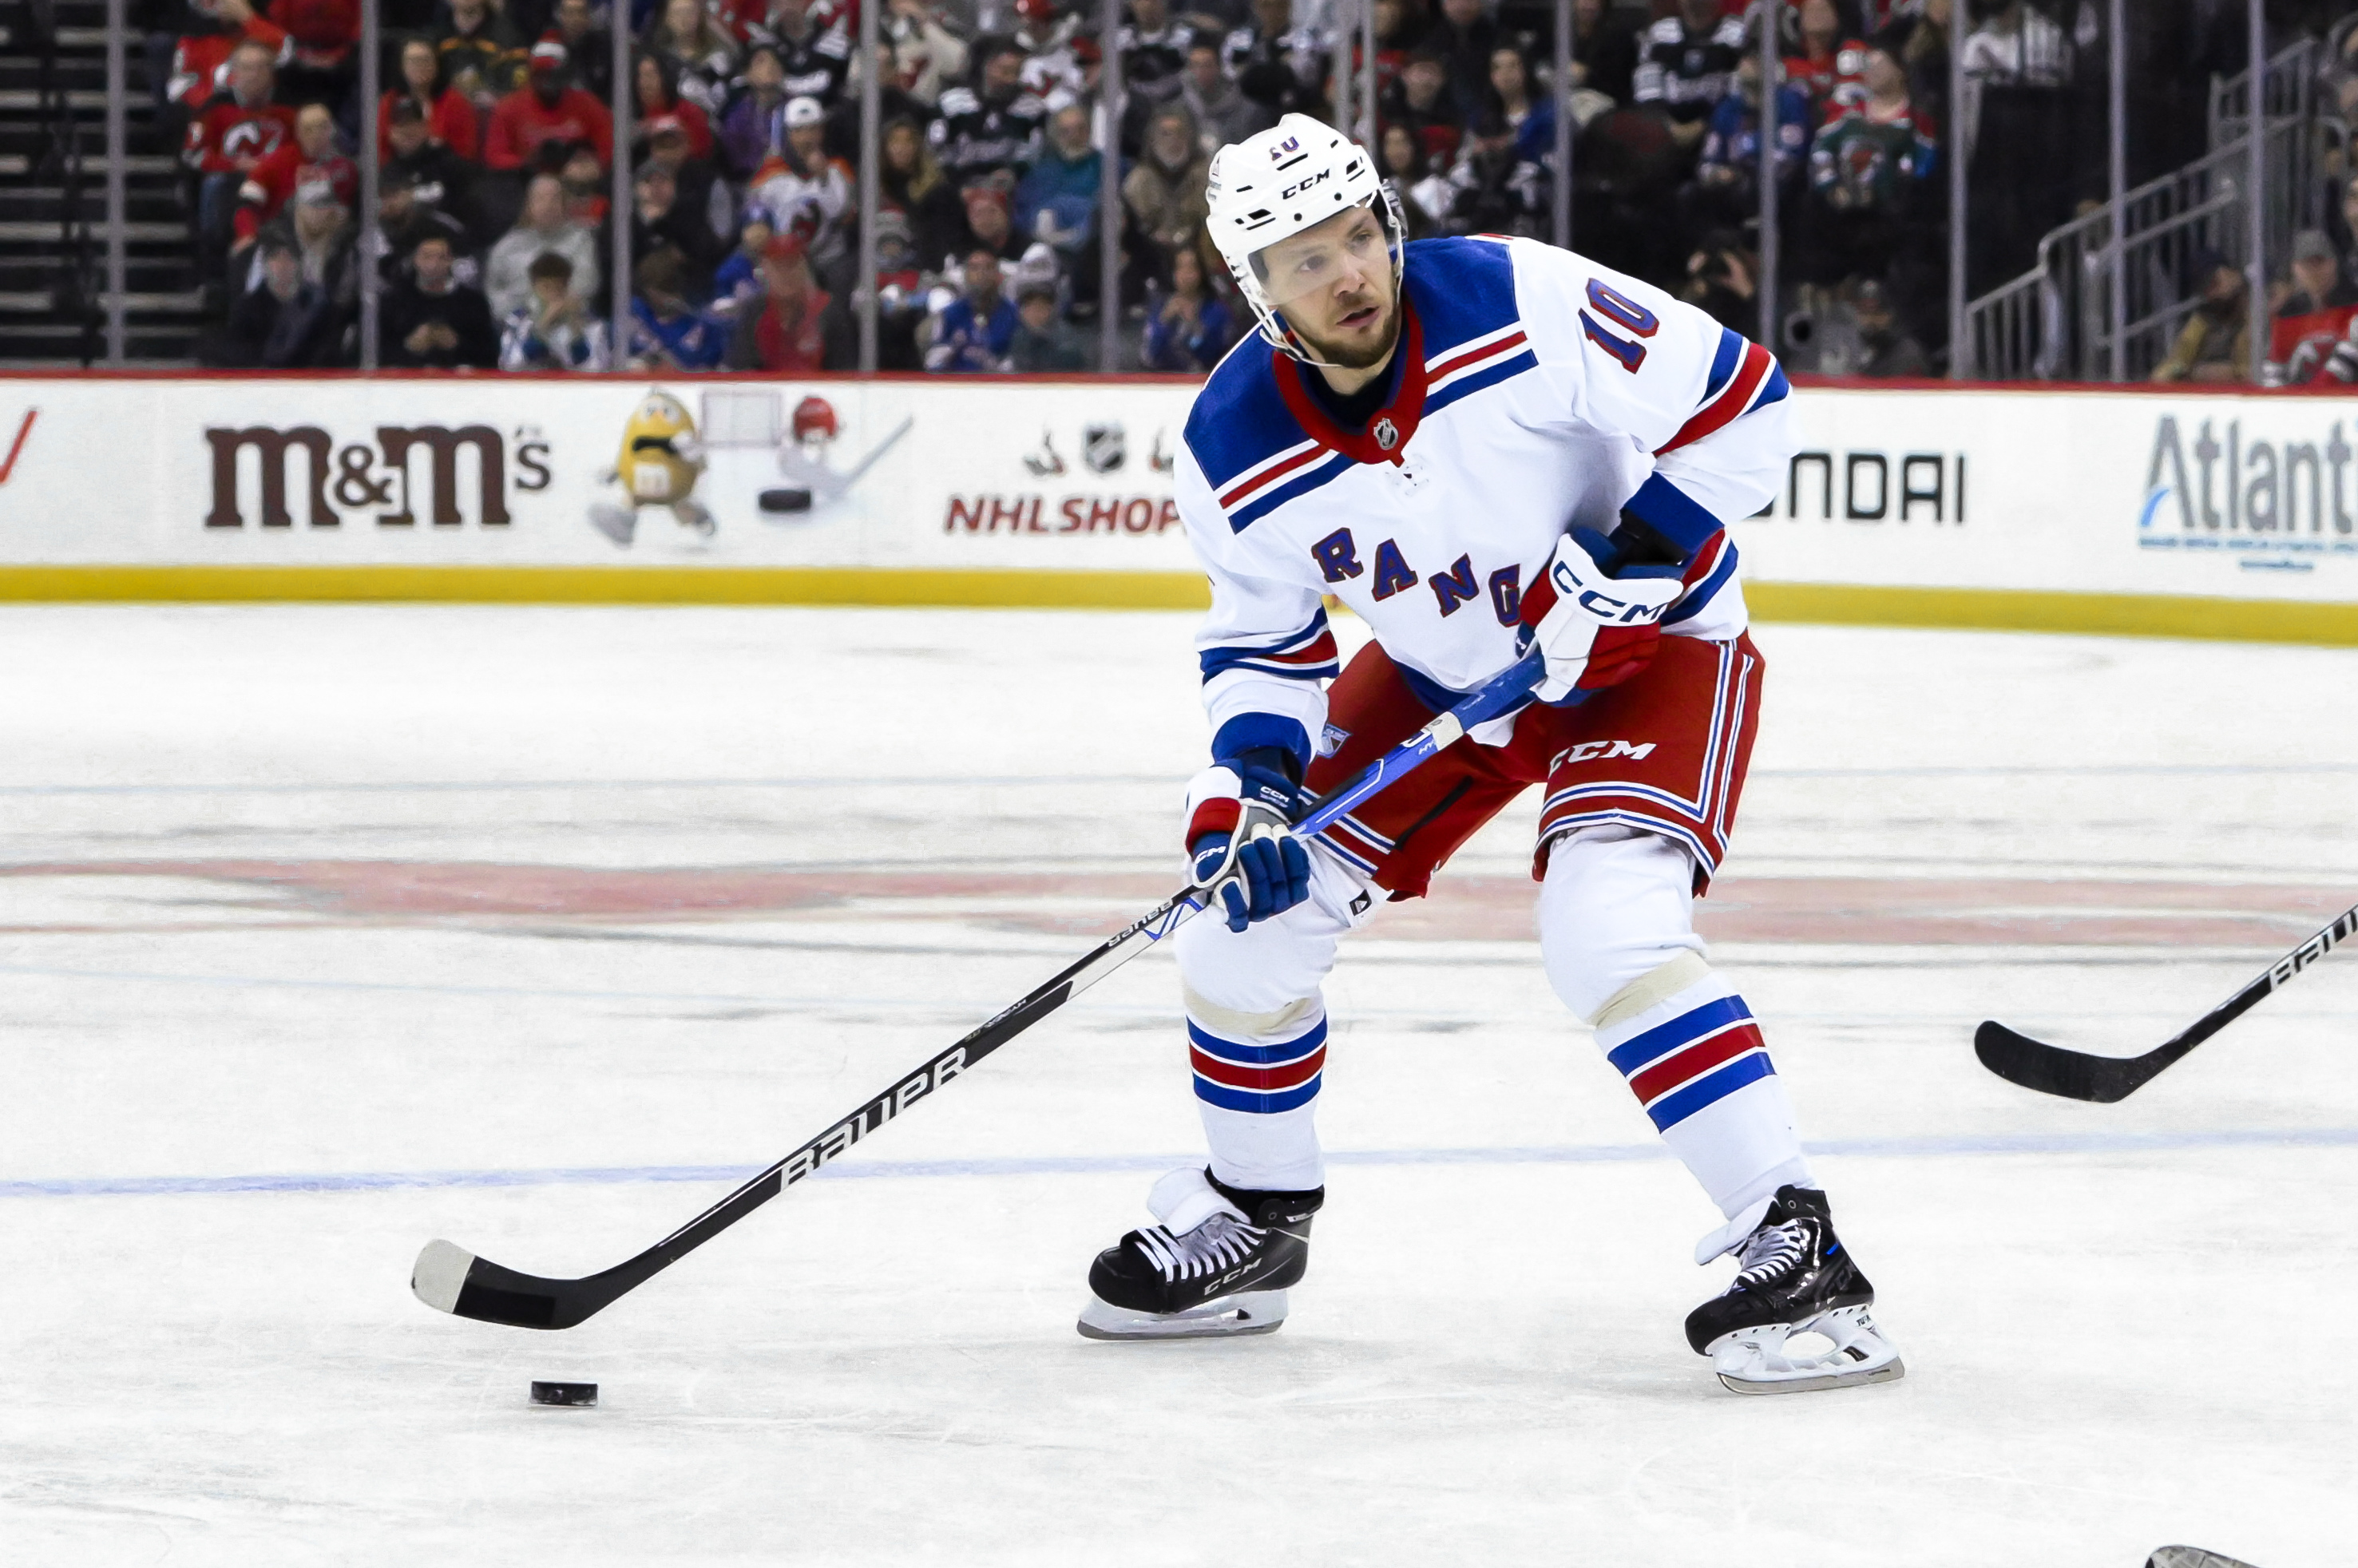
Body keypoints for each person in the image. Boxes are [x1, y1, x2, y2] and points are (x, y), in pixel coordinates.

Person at [1074, 113, 1903, 1399]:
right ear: (1257, 291)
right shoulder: (1230, 443)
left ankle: (1793, 1242)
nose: (1348, 273)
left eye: (1357, 235)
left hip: (1652, 652)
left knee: (1605, 927)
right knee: (1234, 937)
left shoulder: (1524, 297)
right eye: (1303, 261)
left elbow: (1747, 405)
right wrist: (1248, 794)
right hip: (1441, 676)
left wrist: (1630, 557)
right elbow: (1262, 645)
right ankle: (1256, 1216)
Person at [725, 233, 856, 370]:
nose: (785, 274)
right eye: (778, 266)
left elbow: (844, 374)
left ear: (804, 269)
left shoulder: (829, 311)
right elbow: (740, 369)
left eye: (791, 265)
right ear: (766, 270)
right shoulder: (755, 311)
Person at [1632, 0, 1745, 159]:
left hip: (1718, 131)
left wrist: (1703, 124)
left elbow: (1739, 93)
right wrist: (1668, 126)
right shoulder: (1659, 33)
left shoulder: (1737, 35)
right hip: (1665, 131)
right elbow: (1647, 90)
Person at [214, 228, 342, 365]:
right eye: (276, 258)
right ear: (265, 265)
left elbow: (327, 355)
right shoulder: (248, 308)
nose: (283, 265)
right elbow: (236, 353)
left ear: (299, 264)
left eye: (289, 257)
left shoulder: (319, 310)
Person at [483, 40, 613, 172]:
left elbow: (609, 148)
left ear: (564, 75)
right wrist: (528, 164)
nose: (547, 82)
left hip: (578, 178)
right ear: (532, 75)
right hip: (526, 179)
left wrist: (587, 165)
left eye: (553, 75)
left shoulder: (587, 104)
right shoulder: (509, 107)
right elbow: (495, 156)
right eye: (541, 74)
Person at [484, 169, 600, 316]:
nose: (548, 205)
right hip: (519, 321)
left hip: (569, 318)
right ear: (528, 205)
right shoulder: (507, 246)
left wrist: (557, 308)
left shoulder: (581, 239)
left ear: (564, 204)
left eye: (554, 199)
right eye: (540, 199)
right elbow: (494, 291)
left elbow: (586, 284)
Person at [931, 36, 1048, 180]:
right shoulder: (951, 103)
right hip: (957, 186)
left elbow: (1034, 154)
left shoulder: (1032, 109)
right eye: (1005, 71)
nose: (1011, 79)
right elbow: (936, 152)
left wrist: (1012, 173)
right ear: (987, 66)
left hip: (1012, 189)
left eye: (1016, 72)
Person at [382, 231, 501, 366]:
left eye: (441, 257)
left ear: (451, 260)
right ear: (415, 259)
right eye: (427, 257)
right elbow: (372, 353)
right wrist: (409, 346)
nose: (434, 264)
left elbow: (489, 355)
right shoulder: (394, 301)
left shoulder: (472, 303)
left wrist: (456, 344)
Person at [500, 251, 611, 368]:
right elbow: (511, 363)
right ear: (534, 286)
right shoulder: (517, 320)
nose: (552, 294)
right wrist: (544, 325)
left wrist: (576, 328)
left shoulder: (591, 321)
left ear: (567, 286)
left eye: (559, 288)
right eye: (546, 288)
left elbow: (597, 366)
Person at [380, 34, 480, 161]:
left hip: (445, 173)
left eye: (425, 60)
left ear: (437, 65)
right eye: (412, 60)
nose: (419, 66)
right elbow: (379, 152)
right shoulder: (389, 101)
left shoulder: (457, 102)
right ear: (401, 66)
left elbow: (467, 152)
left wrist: (431, 143)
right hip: (399, 173)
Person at [628, 246, 731, 368]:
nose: (668, 299)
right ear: (648, 290)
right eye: (661, 290)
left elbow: (713, 370)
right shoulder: (633, 314)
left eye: (672, 291)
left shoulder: (706, 326)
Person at [1141, 239, 1232, 370]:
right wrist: (1164, 320)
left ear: (1201, 273)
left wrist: (1194, 324)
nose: (1186, 274)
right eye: (1180, 267)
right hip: (1162, 383)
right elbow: (1149, 355)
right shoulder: (1160, 308)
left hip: (1202, 380)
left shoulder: (1217, 311)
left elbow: (1214, 355)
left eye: (1192, 268)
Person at [925, 246, 1017, 370]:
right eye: (975, 268)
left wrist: (997, 366)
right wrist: (952, 347)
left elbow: (1021, 358)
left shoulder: (1013, 314)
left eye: (988, 268)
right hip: (957, 385)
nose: (982, 274)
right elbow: (932, 364)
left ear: (998, 276)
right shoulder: (950, 314)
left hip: (999, 385)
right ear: (966, 275)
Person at [1009, 281, 1092, 371]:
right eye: (1028, 306)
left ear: (1052, 309)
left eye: (1041, 306)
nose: (1034, 312)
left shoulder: (1066, 341)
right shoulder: (1020, 336)